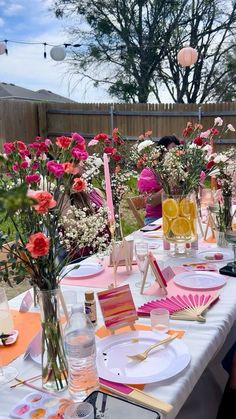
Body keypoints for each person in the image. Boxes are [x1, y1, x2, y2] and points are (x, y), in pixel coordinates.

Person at [137, 135, 180, 225]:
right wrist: (169, 186)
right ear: (161, 152)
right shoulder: (149, 172)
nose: (176, 154)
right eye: (171, 151)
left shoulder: (180, 171)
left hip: (178, 216)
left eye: (177, 151)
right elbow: (150, 201)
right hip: (156, 219)